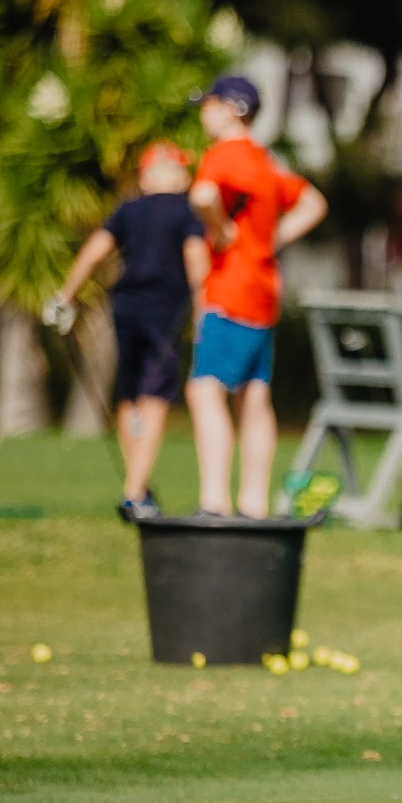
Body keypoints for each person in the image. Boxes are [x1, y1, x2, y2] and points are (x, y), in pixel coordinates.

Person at [186, 74, 328, 518]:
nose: (204, 114)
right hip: (265, 291)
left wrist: (221, 228)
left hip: (231, 288)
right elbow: (315, 203)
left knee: (205, 390)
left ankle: (214, 500)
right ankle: (253, 501)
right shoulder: (266, 163)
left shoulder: (225, 155)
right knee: (253, 396)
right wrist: (273, 239)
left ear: (232, 110)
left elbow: (203, 193)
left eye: (208, 105)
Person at [47, 143, 209, 521]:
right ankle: (135, 490)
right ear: (159, 174)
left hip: (125, 308)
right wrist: (204, 313)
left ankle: (138, 483)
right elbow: (196, 261)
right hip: (163, 314)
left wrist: (64, 297)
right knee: (154, 394)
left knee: (131, 392)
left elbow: (94, 251)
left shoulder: (128, 209)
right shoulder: (187, 211)